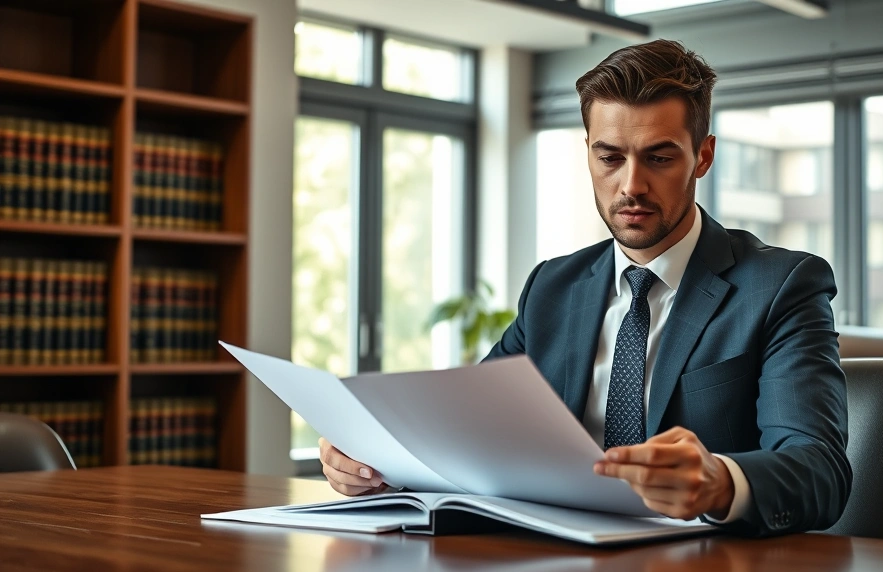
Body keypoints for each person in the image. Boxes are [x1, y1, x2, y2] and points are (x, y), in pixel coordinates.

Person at [319, 38, 851, 537]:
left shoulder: (782, 285)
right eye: (610, 157)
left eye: (660, 158)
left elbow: (819, 469)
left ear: (703, 157)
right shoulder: (553, 286)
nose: (632, 185)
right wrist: (377, 462)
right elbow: (467, 436)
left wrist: (719, 481)